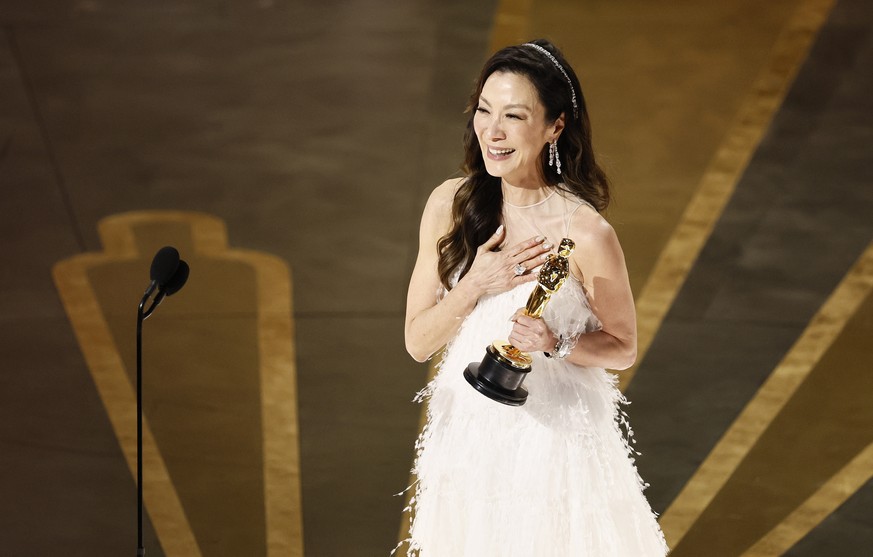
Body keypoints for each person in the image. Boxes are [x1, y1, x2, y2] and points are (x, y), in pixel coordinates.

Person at [401, 39, 668, 556]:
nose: (492, 132)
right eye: (484, 110)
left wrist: (556, 341)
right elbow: (417, 341)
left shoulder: (587, 234)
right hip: (468, 440)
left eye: (514, 116)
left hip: (554, 445)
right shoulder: (449, 205)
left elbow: (623, 346)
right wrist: (476, 284)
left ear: (555, 126)